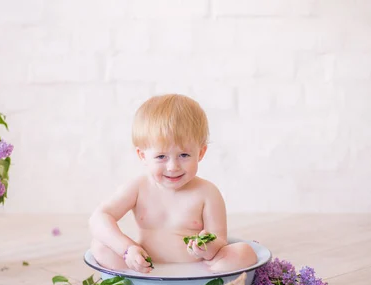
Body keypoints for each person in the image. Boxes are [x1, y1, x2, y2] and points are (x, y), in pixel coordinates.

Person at [89, 94, 257, 274]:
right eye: (161, 157)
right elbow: (100, 216)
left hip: (197, 269)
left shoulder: (207, 193)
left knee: (244, 252)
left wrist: (208, 248)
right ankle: (135, 281)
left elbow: (220, 240)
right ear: (142, 155)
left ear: (200, 153)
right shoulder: (138, 187)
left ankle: (205, 284)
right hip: (147, 267)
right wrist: (127, 249)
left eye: (184, 155)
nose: (173, 167)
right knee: (100, 246)